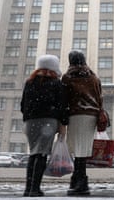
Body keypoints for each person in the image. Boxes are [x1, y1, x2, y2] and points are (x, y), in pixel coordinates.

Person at [21, 54, 68, 197]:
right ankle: (35, 188)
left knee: (33, 153)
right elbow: (62, 105)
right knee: (42, 154)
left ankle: (28, 188)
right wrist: (63, 123)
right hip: (48, 121)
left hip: (30, 122)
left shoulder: (29, 82)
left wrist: (28, 116)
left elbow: (23, 104)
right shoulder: (56, 83)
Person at [61, 50, 103, 196]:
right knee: (83, 149)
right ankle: (80, 181)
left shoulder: (68, 77)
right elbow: (99, 97)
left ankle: (79, 183)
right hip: (90, 116)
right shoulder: (93, 77)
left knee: (77, 149)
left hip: (75, 115)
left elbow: (64, 98)